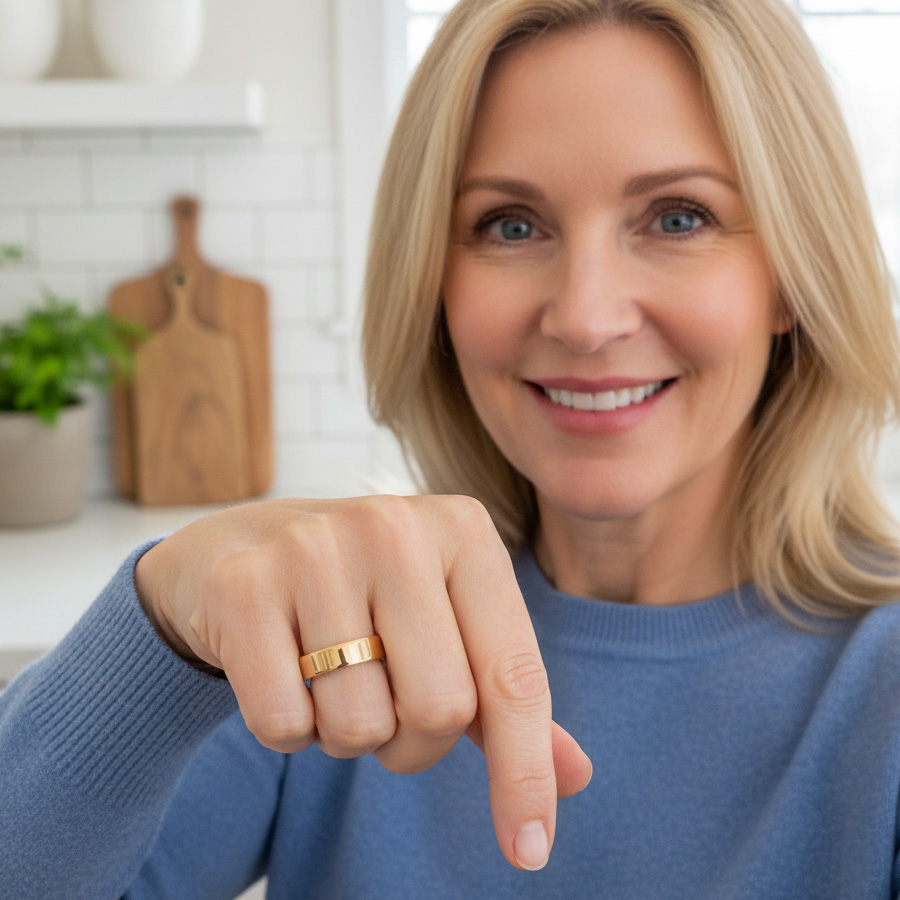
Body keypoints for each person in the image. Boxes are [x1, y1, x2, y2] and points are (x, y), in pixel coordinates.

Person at [3, 0, 900, 895]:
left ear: (791, 275)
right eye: (511, 224)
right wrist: (160, 618)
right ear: (433, 282)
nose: (585, 318)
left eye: (677, 218)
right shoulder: (338, 629)